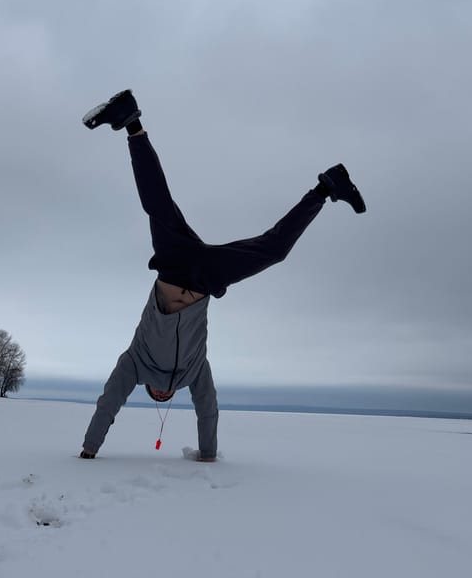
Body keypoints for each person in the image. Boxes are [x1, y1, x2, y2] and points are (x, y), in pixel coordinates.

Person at [79, 89, 366, 462]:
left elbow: (109, 401)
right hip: (205, 279)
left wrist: (89, 449)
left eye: (157, 394)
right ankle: (327, 187)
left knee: (157, 203)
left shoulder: (134, 364)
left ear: (150, 389)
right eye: (166, 397)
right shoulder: (195, 370)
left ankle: (130, 121)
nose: (164, 394)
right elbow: (207, 407)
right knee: (273, 250)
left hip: (174, 265)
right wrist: (209, 454)